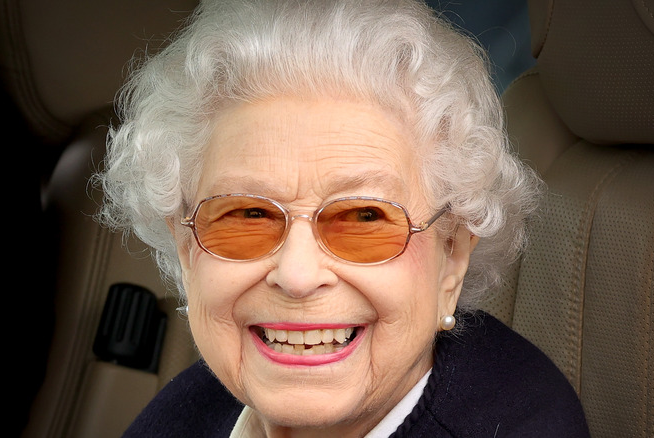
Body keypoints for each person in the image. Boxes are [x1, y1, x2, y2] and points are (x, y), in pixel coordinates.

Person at [97, 0, 590, 436]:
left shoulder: (520, 423)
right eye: (248, 215)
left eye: (363, 218)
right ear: (186, 249)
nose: (297, 275)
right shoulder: (188, 412)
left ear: (452, 256)